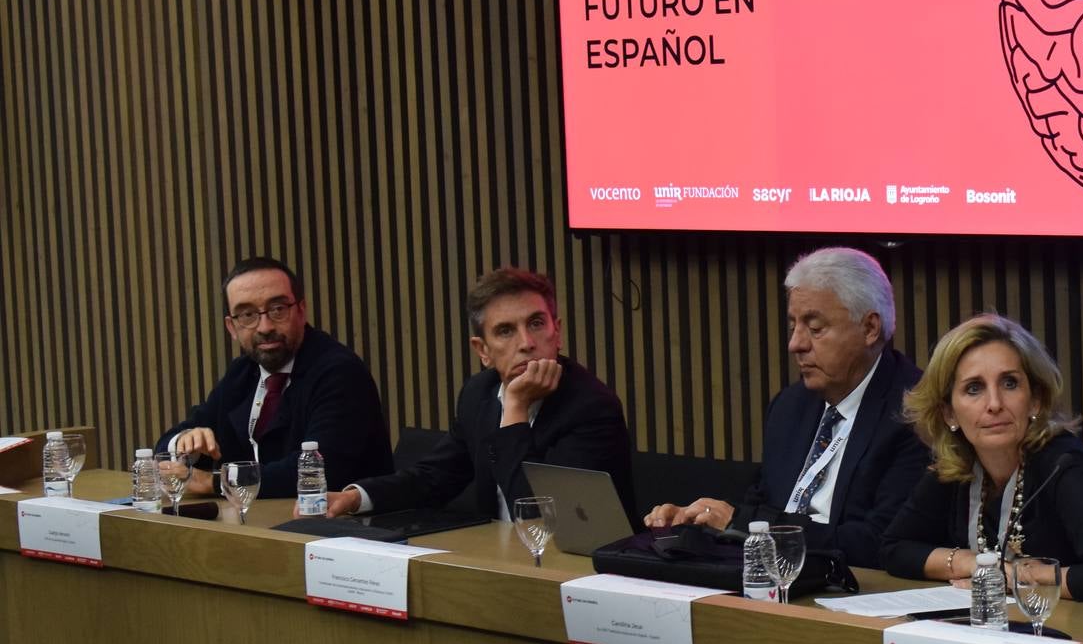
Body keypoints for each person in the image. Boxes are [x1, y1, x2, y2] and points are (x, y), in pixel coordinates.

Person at [645, 247, 925, 567]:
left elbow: (878, 542)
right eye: (793, 326)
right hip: (773, 574)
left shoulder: (915, 412)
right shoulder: (790, 407)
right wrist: (697, 521)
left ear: (870, 328)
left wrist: (745, 524)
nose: (796, 344)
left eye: (815, 328)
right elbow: (760, 504)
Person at [326, 267, 633, 520]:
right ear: (483, 350)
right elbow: (434, 478)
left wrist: (515, 407)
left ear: (558, 332)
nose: (526, 343)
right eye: (505, 331)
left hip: (575, 567)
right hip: (496, 559)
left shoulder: (591, 407)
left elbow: (540, 519)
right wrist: (354, 498)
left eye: (536, 324)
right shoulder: (479, 394)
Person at [881, 314, 1083, 603]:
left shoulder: (1066, 466)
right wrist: (974, 564)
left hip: (1067, 627)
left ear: (1035, 400)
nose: (994, 404)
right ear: (949, 413)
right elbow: (894, 548)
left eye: (1009, 383)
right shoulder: (956, 466)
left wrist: (1016, 577)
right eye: (974, 388)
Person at [161, 256, 392, 499]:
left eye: (277, 309)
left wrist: (216, 482)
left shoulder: (339, 372)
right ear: (232, 327)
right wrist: (184, 443)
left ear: (301, 311)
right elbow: (166, 444)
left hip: (336, 520)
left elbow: (317, 469)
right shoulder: (242, 373)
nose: (265, 327)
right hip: (258, 517)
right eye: (247, 314)